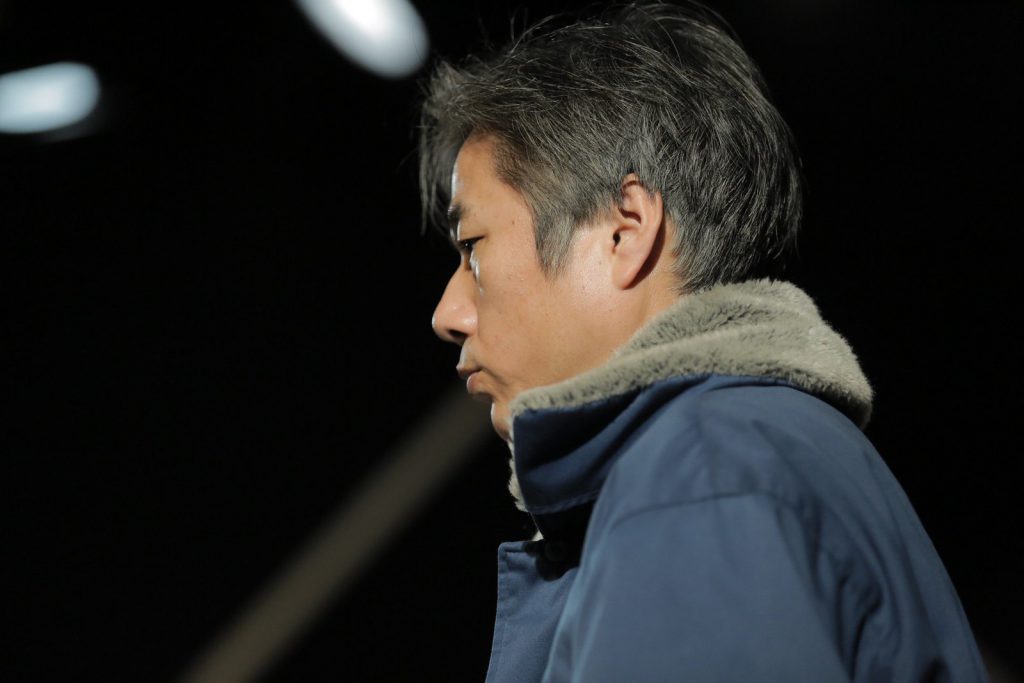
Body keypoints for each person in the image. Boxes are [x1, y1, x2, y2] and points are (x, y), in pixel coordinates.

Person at [421, 2, 987, 681]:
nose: (448, 313)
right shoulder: (751, 451)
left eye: (473, 248)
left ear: (624, 231)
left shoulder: (700, 470)